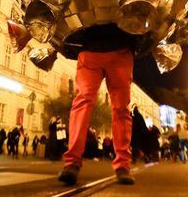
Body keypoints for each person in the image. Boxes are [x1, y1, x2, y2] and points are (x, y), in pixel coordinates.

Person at [57, 24, 137, 186]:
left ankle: (73, 163)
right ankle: (121, 165)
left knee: (85, 103)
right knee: (119, 109)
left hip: (96, 46)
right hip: (114, 46)